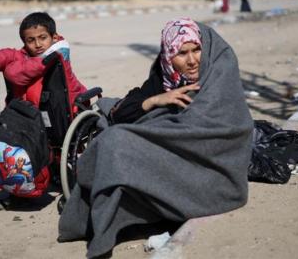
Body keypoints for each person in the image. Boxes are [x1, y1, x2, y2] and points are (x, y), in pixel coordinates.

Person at [58, 18, 253, 258]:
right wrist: (156, 101)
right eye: (182, 53)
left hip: (212, 173)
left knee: (114, 142)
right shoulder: (162, 79)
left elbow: (232, 130)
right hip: (170, 164)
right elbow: (123, 112)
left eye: (196, 50)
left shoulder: (217, 76)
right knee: (114, 139)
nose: (192, 60)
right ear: (168, 56)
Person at [0, 12, 87, 197]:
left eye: (42, 38)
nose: (37, 44)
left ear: (54, 38)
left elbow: (24, 71)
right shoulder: (22, 56)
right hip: (31, 118)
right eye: (31, 40)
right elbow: (4, 55)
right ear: (24, 42)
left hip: (62, 112)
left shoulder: (58, 54)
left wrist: (10, 69)